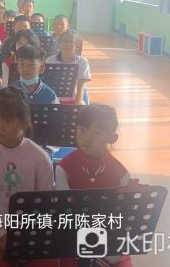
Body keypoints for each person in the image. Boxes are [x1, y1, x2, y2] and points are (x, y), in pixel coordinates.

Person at [0, 88, 55, 267]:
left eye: (7, 120)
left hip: (30, 229)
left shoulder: (40, 158)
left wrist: (27, 236)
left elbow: (45, 203)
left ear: (25, 122)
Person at [56, 104, 134, 267]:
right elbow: (64, 216)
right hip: (74, 239)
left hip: (109, 241)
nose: (86, 138)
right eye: (82, 130)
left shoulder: (121, 174)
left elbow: (123, 223)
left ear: (112, 138)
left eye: (96, 133)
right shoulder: (64, 168)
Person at [45, 30, 91, 105]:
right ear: (59, 44)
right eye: (64, 41)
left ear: (77, 47)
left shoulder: (82, 62)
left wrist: (76, 108)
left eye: (71, 42)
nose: (67, 44)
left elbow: (80, 90)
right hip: (53, 100)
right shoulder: (49, 60)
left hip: (74, 101)